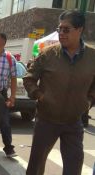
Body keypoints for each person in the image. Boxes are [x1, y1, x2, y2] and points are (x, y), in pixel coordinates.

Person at [23, 10, 95, 175]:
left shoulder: (92, 57)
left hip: (74, 122)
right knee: (35, 166)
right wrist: (40, 96)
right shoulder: (48, 54)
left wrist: (89, 102)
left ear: (79, 30)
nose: (61, 33)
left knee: (74, 165)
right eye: (59, 29)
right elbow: (29, 78)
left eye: (66, 29)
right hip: (46, 120)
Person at [0, 33, 17, 157]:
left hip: (1, 94)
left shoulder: (9, 58)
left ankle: (9, 148)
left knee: (5, 122)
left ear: (3, 44)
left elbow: (13, 78)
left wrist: (12, 97)